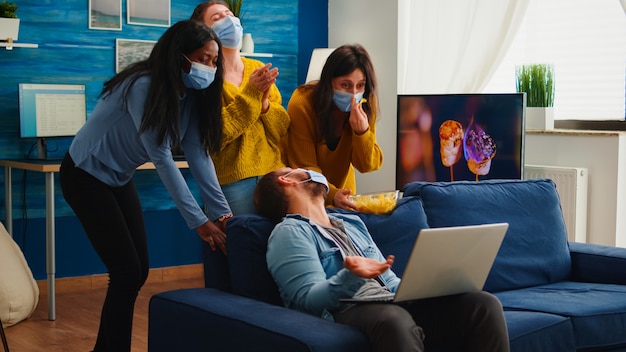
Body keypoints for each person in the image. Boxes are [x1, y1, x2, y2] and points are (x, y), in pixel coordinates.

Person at [59, 20, 232, 352]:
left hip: (119, 177)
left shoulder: (191, 96)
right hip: (84, 175)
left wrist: (224, 214)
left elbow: (197, 152)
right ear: (179, 55)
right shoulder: (143, 85)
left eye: (213, 61)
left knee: (138, 271)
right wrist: (198, 221)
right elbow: (162, 155)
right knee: (126, 271)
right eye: (202, 58)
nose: (208, 67)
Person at [253, 167, 510, 352]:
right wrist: (349, 277)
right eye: (297, 169)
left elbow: (388, 280)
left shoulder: (351, 223)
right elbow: (307, 300)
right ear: (287, 180)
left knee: (482, 304)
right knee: (394, 320)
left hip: (387, 300)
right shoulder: (289, 232)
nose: (311, 171)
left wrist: (433, 287)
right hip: (346, 308)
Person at [190, 1, 290, 215]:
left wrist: (264, 106)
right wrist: (252, 94)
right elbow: (214, 135)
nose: (229, 21)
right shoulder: (205, 77)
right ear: (203, 32)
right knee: (242, 243)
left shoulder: (258, 69)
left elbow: (281, 129)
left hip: (275, 175)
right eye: (217, 18)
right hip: (232, 182)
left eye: (229, 14)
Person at [286, 44, 383, 210]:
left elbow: (367, 165)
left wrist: (362, 132)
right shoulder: (302, 102)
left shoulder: (365, 104)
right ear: (329, 82)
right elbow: (304, 165)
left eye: (360, 85)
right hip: (303, 192)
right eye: (345, 85)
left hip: (343, 197)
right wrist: (332, 194)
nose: (354, 94)